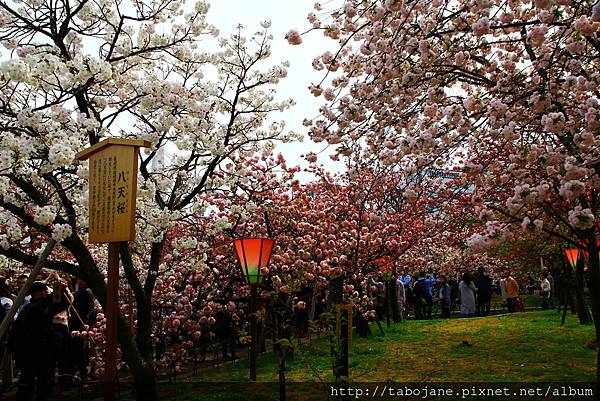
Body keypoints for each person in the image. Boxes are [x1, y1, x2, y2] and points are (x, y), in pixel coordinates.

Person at [10, 281, 72, 401]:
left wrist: (62, 293)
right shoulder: (30, 308)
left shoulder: (44, 307)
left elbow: (61, 305)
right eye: (44, 290)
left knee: (44, 380)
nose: (46, 292)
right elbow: (44, 304)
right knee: (28, 380)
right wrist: (54, 294)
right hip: (31, 350)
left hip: (43, 349)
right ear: (36, 293)